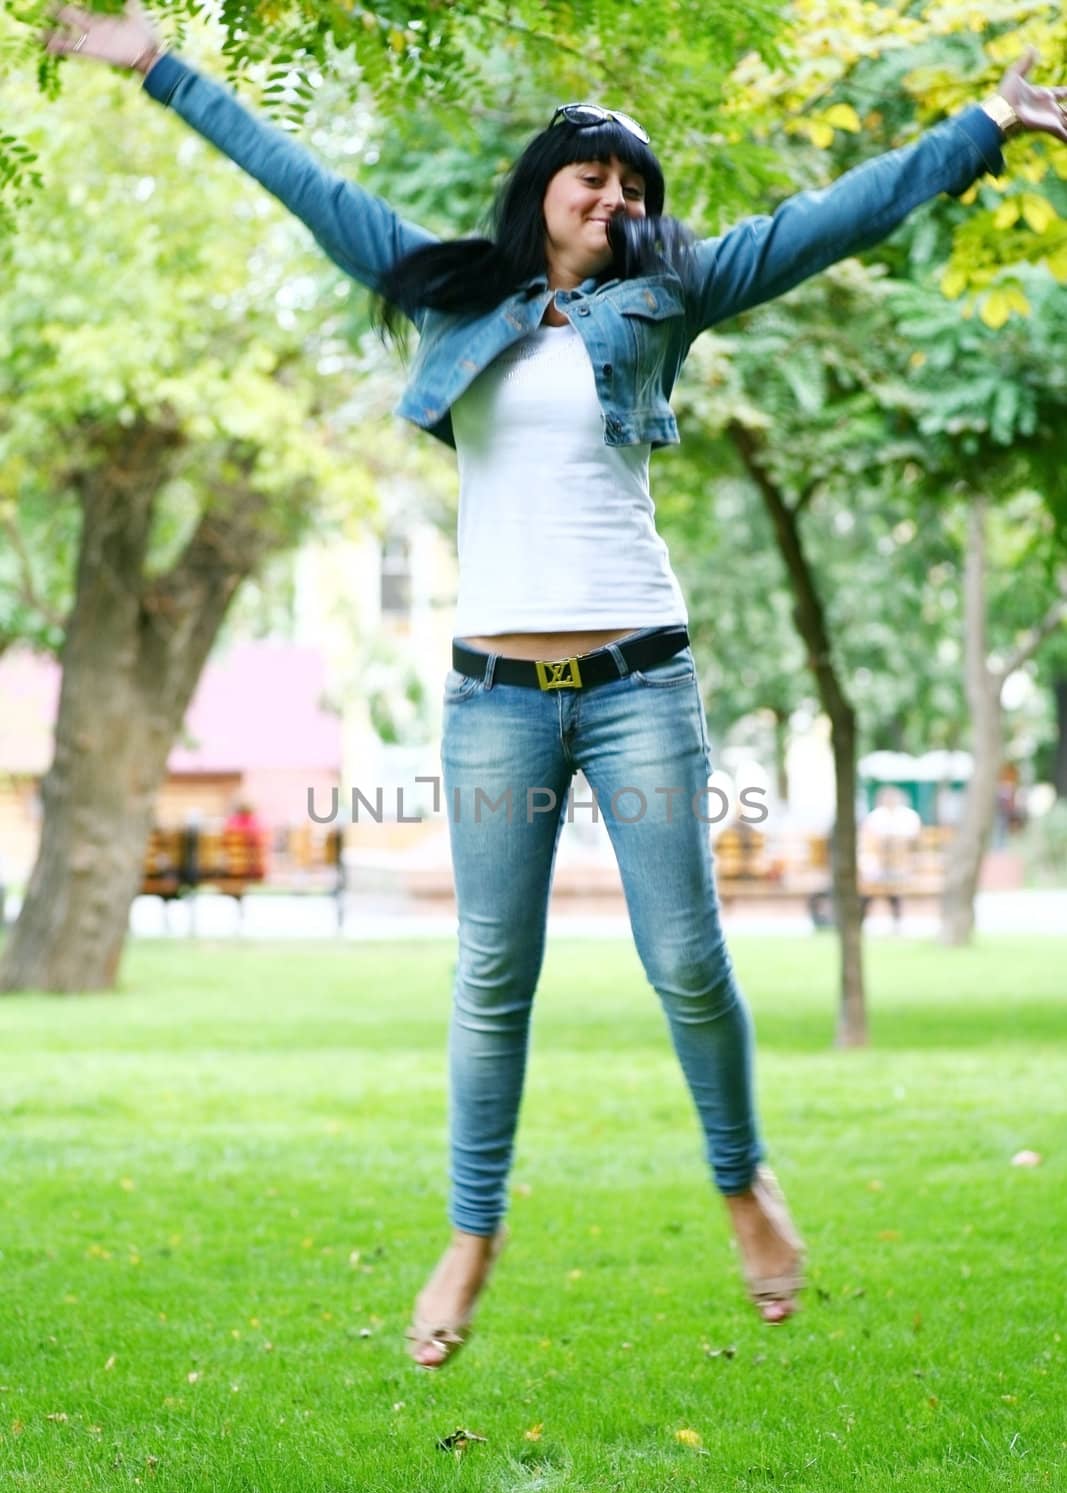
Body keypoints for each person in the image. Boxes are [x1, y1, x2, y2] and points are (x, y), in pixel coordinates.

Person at [43, 4, 1067, 1366]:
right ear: (543, 190)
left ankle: (740, 1182)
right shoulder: (449, 287)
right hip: (493, 699)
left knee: (688, 962)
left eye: (634, 184)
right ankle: (472, 1233)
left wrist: (979, 127)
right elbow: (301, 180)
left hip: (639, 674)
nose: (616, 195)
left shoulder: (669, 294)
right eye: (593, 173)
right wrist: (161, 66)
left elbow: (835, 216)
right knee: (489, 975)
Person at [859, 785, 923, 928]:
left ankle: (894, 920)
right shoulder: (875, 817)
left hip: (901, 866)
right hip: (879, 867)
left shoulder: (908, 817)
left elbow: (914, 843)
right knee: (871, 887)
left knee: (890, 888)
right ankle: (863, 919)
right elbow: (869, 841)